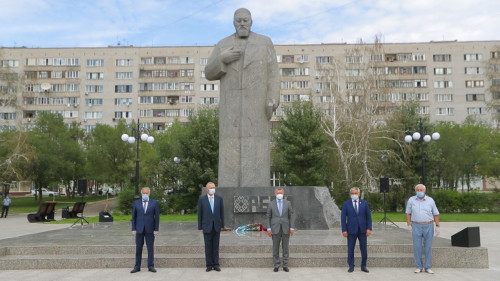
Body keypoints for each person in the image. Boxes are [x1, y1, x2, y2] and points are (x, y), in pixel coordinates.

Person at [205, 8, 280, 188]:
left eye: (245, 20)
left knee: (256, 151)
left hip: (257, 107)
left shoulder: (264, 42)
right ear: (233, 22)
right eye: (238, 20)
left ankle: (257, 188)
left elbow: (273, 74)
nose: (242, 23)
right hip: (230, 110)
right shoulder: (223, 44)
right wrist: (222, 59)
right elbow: (208, 73)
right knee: (230, 155)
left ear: (251, 21)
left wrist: (272, 100)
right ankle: (230, 189)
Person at [406, 184, 440, 274]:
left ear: (425, 191)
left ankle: (428, 267)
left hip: (428, 225)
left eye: (421, 190)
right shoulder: (411, 200)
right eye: (418, 190)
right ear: (415, 191)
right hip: (416, 225)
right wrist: (409, 225)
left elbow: (435, 213)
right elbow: (408, 213)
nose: (419, 191)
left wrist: (437, 226)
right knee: (417, 246)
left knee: (428, 246)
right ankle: (419, 266)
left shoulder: (430, 200)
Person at [341, 187, 372, 273]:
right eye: (352, 193)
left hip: (363, 230)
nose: (354, 195)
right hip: (351, 230)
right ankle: (351, 265)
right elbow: (343, 218)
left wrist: (369, 228)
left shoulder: (364, 203)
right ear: (350, 194)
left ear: (359, 194)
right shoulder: (346, 204)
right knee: (350, 248)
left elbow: (369, 217)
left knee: (364, 249)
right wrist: (344, 229)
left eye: (356, 193)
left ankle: (363, 266)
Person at [130, 187, 160, 273]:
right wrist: (133, 228)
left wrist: (156, 228)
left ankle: (151, 266)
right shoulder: (136, 203)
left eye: (147, 193)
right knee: (138, 248)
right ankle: (137, 266)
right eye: (144, 193)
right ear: (141, 193)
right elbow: (134, 217)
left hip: (150, 229)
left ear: (149, 193)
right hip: (139, 229)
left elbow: (157, 217)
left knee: (150, 248)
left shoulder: (154, 203)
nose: (145, 194)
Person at [198, 182, 225, 272]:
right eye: (211, 187)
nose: (213, 189)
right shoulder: (202, 199)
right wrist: (200, 227)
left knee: (216, 246)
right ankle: (209, 265)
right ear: (207, 189)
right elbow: (200, 214)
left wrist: (222, 225)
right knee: (208, 246)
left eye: (214, 187)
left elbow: (222, 212)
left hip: (216, 226)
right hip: (206, 226)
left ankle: (216, 264)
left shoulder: (219, 199)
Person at [266, 187, 295, 272]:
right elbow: (268, 217)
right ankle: (276, 265)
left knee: (285, 248)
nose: (279, 195)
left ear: (283, 194)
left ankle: (285, 265)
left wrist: (291, 227)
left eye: (281, 193)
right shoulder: (271, 204)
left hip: (285, 228)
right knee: (275, 248)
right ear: (275, 194)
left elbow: (291, 216)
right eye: (278, 193)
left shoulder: (288, 203)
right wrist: (268, 228)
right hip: (275, 229)